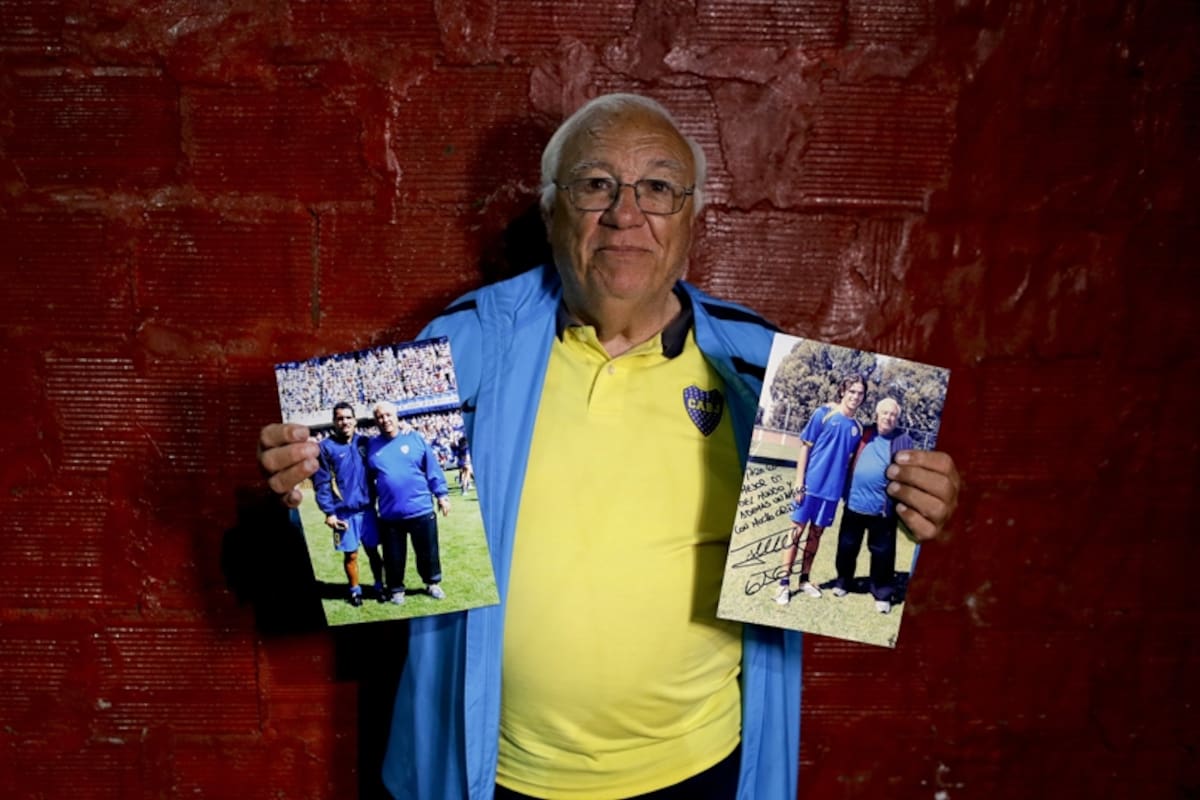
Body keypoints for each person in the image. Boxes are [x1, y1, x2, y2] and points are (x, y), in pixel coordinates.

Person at [258, 93, 961, 800]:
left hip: (701, 770)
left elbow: (833, 543)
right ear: (551, 210)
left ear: (692, 218)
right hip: (493, 775)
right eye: (595, 184)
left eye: (658, 187)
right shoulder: (460, 351)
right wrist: (303, 490)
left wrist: (913, 497)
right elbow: (368, 516)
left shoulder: (763, 375)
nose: (626, 214)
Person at [774, 374, 866, 604]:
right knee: (795, 532)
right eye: (852, 391)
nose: (855, 396)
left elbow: (850, 460)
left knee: (815, 536)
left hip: (831, 494)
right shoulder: (823, 413)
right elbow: (805, 447)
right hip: (810, 487)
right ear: (843, 391)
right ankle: (783, 584)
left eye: (860, 393)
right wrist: (799, 482)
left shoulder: (857, 428)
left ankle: (804, 580)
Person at [831, 397, 915, 614]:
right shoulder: (863, 432)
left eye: (893, 414)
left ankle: (882, 593)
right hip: (854, 504)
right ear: (877, 414)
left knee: (883, 554)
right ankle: (843, 582)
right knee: (847, 547)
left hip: (882, 510)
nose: (888, 417)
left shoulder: (903, 440)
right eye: (885, 413)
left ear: (897, 418)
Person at [366, 401, 453, 605]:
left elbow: (432, 468)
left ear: (397, 416)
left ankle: (432, 583)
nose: (385, 419)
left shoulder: (414, 438)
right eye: (380, 416)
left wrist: (442, 495)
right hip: (390, 514)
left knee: (428, 551)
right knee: (393, 556)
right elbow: (368, 479)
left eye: (388, 415)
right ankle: (396, 589)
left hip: (420, 508)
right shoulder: (370, 446)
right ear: (375, 421)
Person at [312, 401, 384, 606]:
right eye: (340, 418)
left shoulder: (365, 442)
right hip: (344, 513)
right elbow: (322, 482)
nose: (344, 422)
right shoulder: (325, 448)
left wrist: (404, 430)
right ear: (334, 422)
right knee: (351, 554)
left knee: (373, 551)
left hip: (368, 510)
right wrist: (329, 512)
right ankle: (355, 591)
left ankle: (380, 586)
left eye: (348, 418)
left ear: (355, 420)